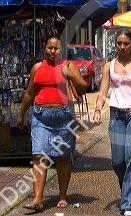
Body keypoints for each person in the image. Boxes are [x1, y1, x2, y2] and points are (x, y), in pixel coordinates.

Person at [17, 35, 87, 212]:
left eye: (56, 48)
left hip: (64, 118)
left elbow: (83, 87)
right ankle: (38, 199)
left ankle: (62, 196)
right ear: (45, 48)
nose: (52, 51)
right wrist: (21, 114)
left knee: (62, 158)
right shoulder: (37, 67)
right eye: (49, 48)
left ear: (62, 50)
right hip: (41, 117)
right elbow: (29, 92)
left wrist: (70, 74)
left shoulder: (69, 66)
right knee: (39, 157)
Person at [94, 31, 131, 216]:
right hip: (116, 117)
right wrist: (97, 109)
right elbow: (103, 92)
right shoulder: (109, 66)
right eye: (119, 43)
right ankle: (127, 189)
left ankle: (127, 205)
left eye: (126, 43)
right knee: (118, 162)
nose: (122, 46)